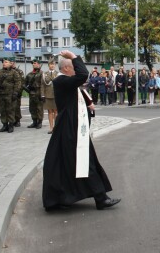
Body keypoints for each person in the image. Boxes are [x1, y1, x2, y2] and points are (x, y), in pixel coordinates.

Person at [43, 50, 120, 211]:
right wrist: (73, 56)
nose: (75, 70)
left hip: (74, 128)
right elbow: (83, 74)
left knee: (78, 162)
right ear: (65, 68)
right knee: (84, 162)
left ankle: (92, 197)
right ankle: (99, 198)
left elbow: (81, 92)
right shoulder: (62, 81)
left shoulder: (67, 81)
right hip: (70, 129)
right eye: (73, 66)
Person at [0, 58, 21, 133]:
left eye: (6, 62)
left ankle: (11, 125)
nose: (4, 63)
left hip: (10, 94)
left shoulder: (14, 72)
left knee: (10, 110)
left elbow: (18, 83)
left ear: (10, 64)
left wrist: (15, 92)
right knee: (2, 110)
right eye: (3, 62)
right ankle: (4, 124)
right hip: (0, 94)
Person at [24, 59, 44, 129]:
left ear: (39, 64)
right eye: (33, 63)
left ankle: (39, 122)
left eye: (35, 63)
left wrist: (43, 95)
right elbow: (24, 83)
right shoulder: (29, 74)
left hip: (39, 93)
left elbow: (43, 85)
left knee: (39, 108)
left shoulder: (42, 73)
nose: (33, 64)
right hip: (31, 93)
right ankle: (34, 121)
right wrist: (27, 89)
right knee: (32, 108)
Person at [41, 59, 58, 134]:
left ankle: (56, 127)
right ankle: (51, 127)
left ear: (55, 65)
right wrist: (42, 95)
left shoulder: (58, 74)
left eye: (53, 64)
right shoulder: (45, 74)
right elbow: (42, 85)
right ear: (48, 65)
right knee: (50, 111)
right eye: (50, 64)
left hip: (56, 95)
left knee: (56, 111)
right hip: (47, 95)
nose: (52, 65)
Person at [11, 58, 25, 127]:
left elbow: (22, 83)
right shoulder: (8, 71)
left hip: (17, 92)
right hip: (9, 92)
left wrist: (19, 92)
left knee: (16, 107)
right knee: (10, 108)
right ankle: (11, 120)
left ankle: (17, 120)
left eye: (13, 62)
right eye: (11, 62)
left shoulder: (19, 71)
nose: (12, 64)